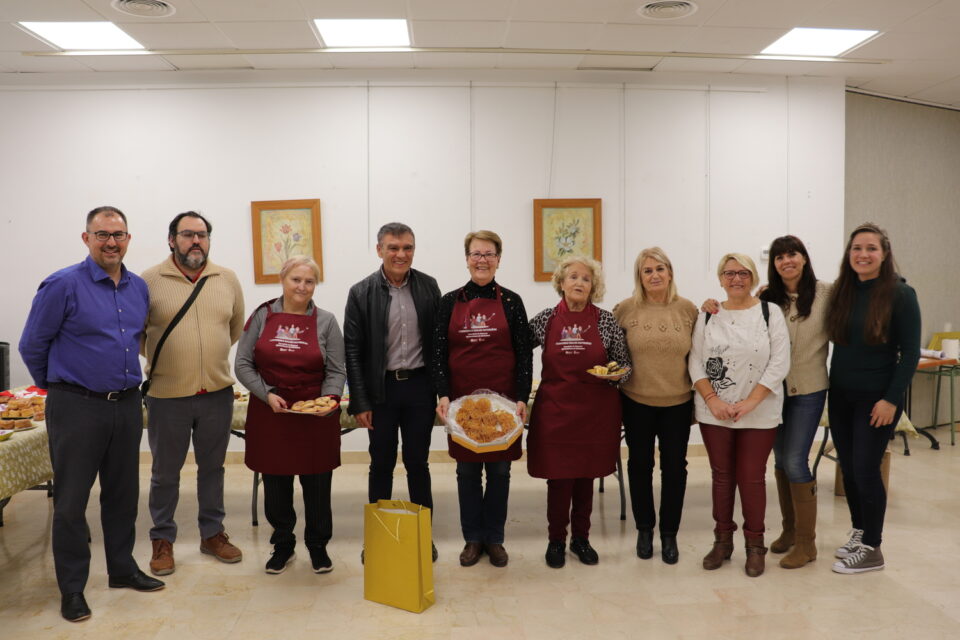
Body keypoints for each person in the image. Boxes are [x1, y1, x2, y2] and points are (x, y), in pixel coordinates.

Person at [19, 206, 164, 623]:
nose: (111, 243)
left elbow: (135, 339)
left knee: (122, 495)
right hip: (76, 406)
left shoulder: (138, 288)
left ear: (128, 239)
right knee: (70, 502)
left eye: (118, 235)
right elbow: (32, 344)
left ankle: (122, 569)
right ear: (87, 239)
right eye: (102, 235)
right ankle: (72, 588)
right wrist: (62, 386)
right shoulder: (62, 285)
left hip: (126, 404)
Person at [703, 235, 831, 569]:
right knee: (780, 462)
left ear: (804, 258)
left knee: (795, 461)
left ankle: (806, 542)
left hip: (806, 389)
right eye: (779, 256)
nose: (787, 261)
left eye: (793, 254)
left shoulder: (825, 294)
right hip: (772, 395)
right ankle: (789, 532)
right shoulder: (768, 297)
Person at [141, 211, 245, 576]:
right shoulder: (149, 281)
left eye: (202, 235)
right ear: (172, 240)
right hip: (167, 395)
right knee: (165, 473)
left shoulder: (226, 279)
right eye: (188, 234)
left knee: (212, 469)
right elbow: (138, 334)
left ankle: (212, 534)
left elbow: (234, 327)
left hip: (216, 392)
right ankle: (162, 539)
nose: (196, 241)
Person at [235, 256, 346, 574]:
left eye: (309, 281)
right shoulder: (262, 316)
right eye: (296, 279)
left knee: (318, 482)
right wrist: (266, 394)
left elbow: (336, 370)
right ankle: (283, 544)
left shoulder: (327, 321)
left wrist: (328, 400)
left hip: (314, 414)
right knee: (275, 482)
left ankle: (318, 546)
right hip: (271, 410)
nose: (302, 286)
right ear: (282, 280)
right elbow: (243, 363)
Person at [432, 231, 532, 568]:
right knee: (467, 472)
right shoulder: (449, 302)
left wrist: (521, 397)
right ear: (466, 259)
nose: (482, 260)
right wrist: (443, 393)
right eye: (476, 254)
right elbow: (438, 353)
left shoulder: (512, 301)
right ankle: (473, 538)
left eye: (489, 254)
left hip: (503, 405)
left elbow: (524, 353)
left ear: (499, 260)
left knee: (500, 472)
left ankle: (495, 538)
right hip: (462, 405)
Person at [344, 222, 441, 561]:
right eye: (393, 247)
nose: (401, 254)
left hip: (419, 388)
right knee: (381, 465)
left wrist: (441, 391)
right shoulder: (361, 292)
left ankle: (423, 537)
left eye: (407, 247)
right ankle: (377, 540)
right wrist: (360, 400)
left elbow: (438, 344)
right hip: (380, 391)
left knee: (418, 464)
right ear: (379, 250)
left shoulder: (429, 286)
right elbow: (352, 350)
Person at [826, 223, 920, 574]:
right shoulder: (844, 291)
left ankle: (873, 549)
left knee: (866, 470)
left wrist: (891, 400)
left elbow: (910, 353)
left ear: (884, 254)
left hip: (876, 400)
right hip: (841, 396)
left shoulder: (900, 294)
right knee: (849, 469)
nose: (863, 254)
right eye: (857, 248)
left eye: (871, 248)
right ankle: (860, 531)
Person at [689, 253, 789, 577]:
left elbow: (780, 362)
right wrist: (712, 399)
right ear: (720, 279)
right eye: (729, 273)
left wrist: (751, 402)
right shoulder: (708, 315)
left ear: (753, 277)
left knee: (751, 477)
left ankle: (755, 545)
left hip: (760, 410)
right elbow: (695, 361)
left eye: (743, 273)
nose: (736, 278)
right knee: (721, 477)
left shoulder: (769, 312)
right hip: (714, 410)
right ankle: (722, 541)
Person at [528, 256, 631, 569]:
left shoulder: (606, 321)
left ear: (593, 287)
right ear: (561, 282)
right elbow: (516, 352)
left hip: (595, 411)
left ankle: (581, 539)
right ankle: (556, 540)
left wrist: (615, 375)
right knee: (558, 478)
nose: (579, 283)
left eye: (586, 279)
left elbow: (624, 364)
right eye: (573, 277)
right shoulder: (545, 319)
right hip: (555, 409)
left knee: (586, 476)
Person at [613, 247, 697, 565]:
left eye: (660, 269)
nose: (654, 275)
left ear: (670, 272)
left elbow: (701, 354)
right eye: (647, 270)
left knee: (674, 469)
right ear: (640, 276)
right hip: (636, 401)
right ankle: (645, 530)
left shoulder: (688, 310)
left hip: (678, 402)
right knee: (640, 466)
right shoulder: (625, 309)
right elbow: (611, 353)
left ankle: (669, 533)